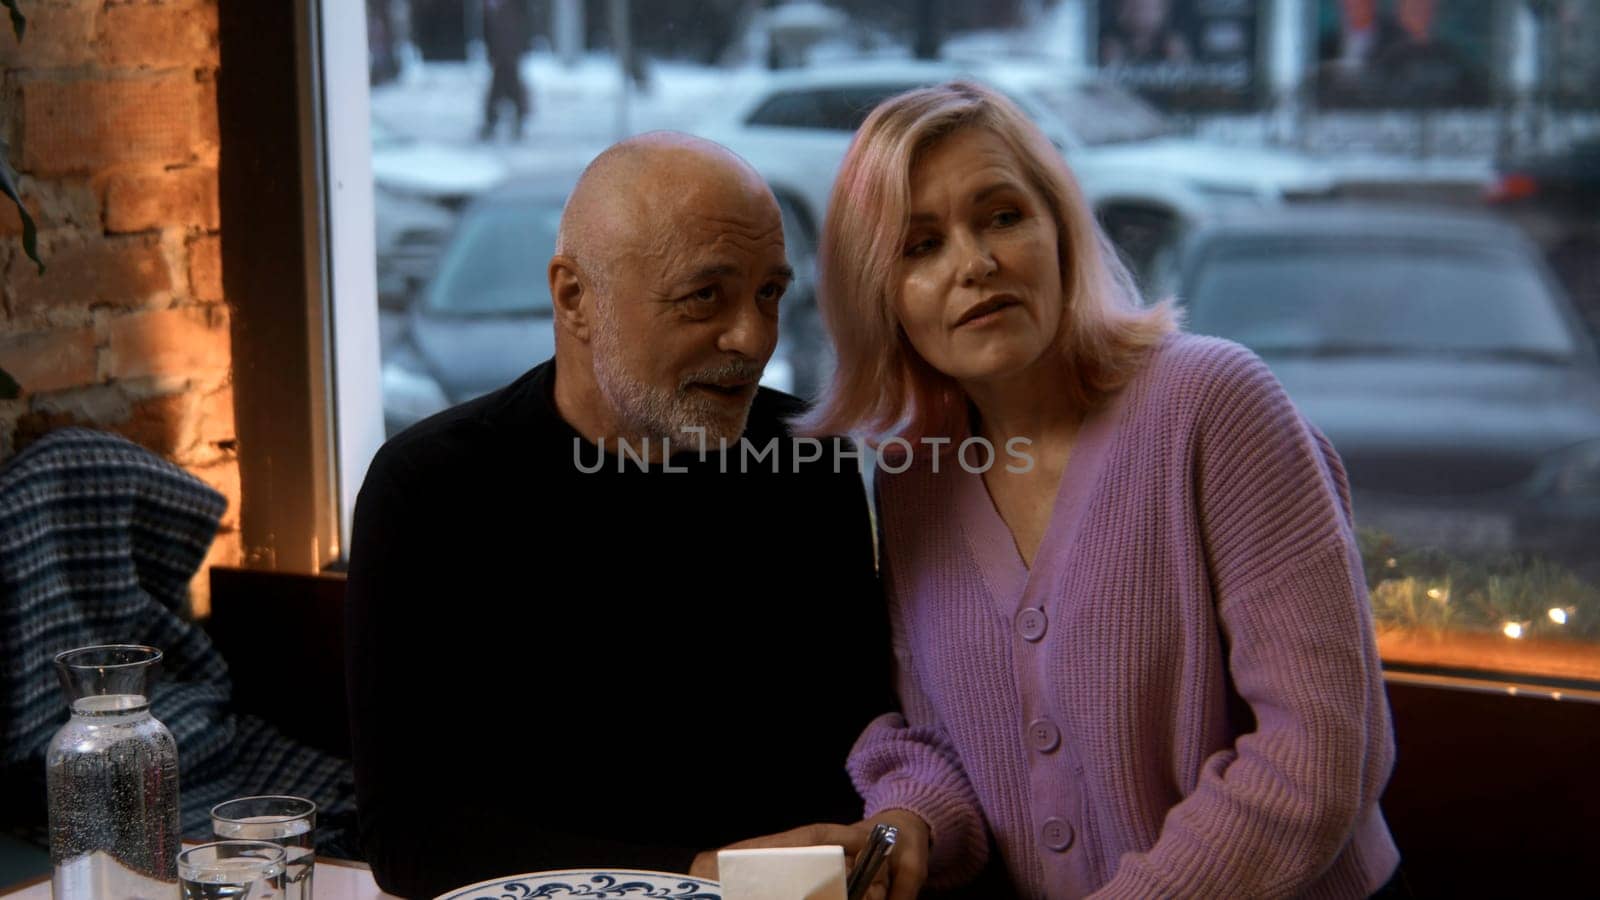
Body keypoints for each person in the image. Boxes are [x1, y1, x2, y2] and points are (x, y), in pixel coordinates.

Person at [796, 82, 1401, 897]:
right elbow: (947, 747)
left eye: (1003, 215)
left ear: (1060, 230)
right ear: (880, 295)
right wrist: (910, 823)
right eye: (920, 245)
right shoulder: (913, 480)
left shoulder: (1213, 402)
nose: (975, 263)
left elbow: (1315, 756)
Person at [344, 132, 891, 899]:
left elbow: (861, 748)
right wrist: (700, 876)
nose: (754, 338)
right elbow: (409, 841)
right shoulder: (431, 490)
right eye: (707, 295)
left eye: (770, 293)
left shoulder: (808, 459)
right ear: (575, 298)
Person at [480, 0, 531, 139]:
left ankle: (496, 122)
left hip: (508, 54)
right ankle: (496, 121)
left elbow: (519, 27)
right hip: (500, 54)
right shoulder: (491, 5)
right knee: (503, 88)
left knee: (506, 88)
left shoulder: (513, 6)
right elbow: (488, 30)